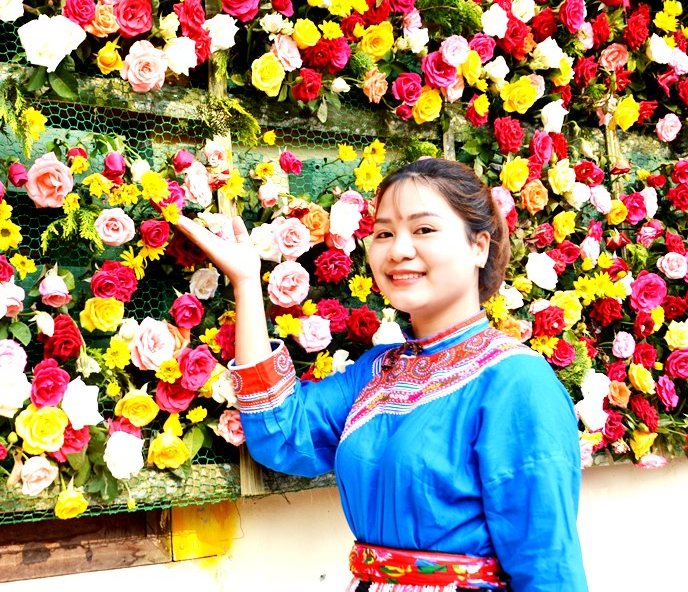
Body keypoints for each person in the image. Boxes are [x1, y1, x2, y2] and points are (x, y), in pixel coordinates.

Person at [176, 158, 588, 592]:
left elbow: (548, 567)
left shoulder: (517, 382)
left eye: (423, 229)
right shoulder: (380, 371)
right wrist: (245, 283)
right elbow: (279, 429)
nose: (398, 250)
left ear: (479, 247)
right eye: (385, 233)